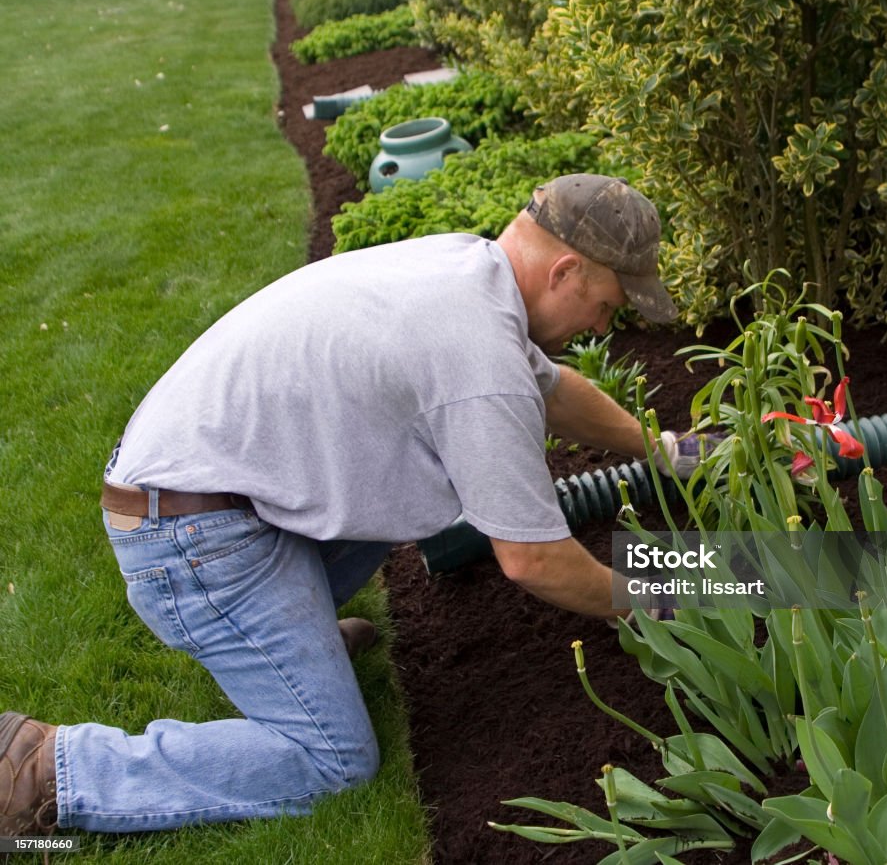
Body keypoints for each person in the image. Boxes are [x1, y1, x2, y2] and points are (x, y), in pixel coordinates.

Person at [1, 173, 703, 837]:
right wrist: (670, 596)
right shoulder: (475, 353)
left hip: (211, 494)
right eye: (609, 304)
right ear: (564, 273)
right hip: (187, 540)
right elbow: (533, 558)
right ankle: (47, 768)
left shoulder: (466, 271)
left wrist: (669, 450)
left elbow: (554, 394)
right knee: (333, 762)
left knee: (410, 480)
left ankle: (297, 646)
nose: (605, 325)